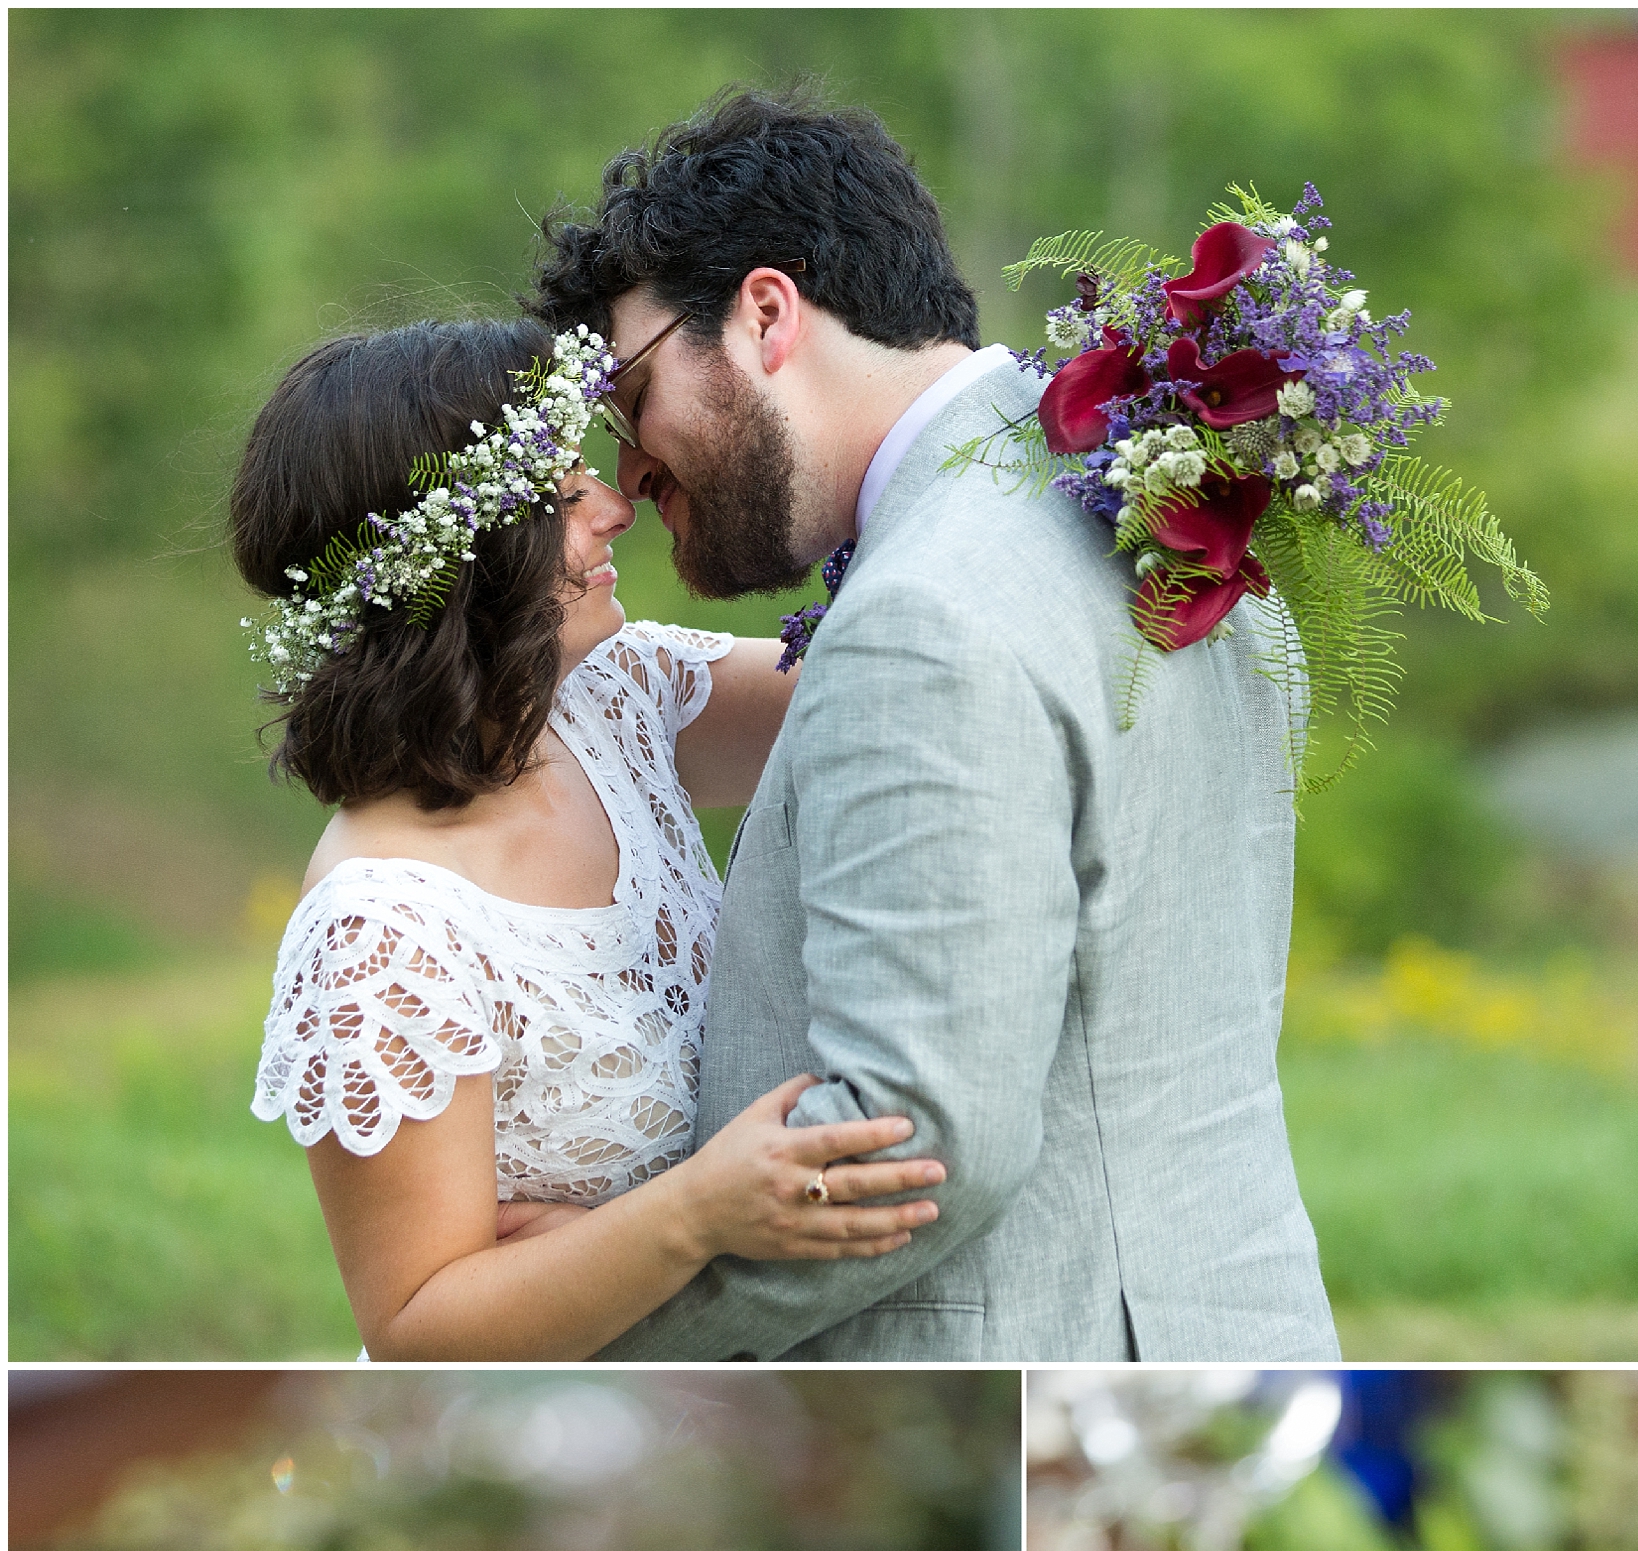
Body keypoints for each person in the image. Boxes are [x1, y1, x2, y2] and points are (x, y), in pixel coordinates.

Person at [531, 91, 1339, 1367]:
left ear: (762, 314)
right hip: (1230, 1325)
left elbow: (909, 1150)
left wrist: (582, 1324)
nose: (625, 469)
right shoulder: (1169, 512)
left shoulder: (927, 613)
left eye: (630, 393)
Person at [235, 314, 943, 1355]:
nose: (615, 506)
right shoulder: (379, 931)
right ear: (457, 563)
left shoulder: (607, 698)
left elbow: (896, 681)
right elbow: (416, 1327)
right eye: (563, 496)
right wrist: (689, 1215)